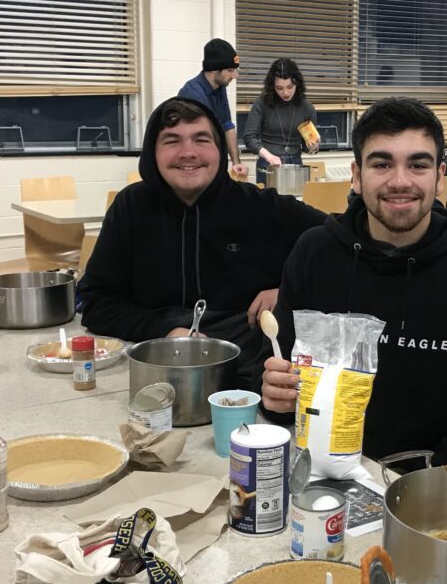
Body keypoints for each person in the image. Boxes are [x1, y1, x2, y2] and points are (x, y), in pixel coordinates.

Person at [258, 97, 447, 466]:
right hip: (319, 474)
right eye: (382, 163)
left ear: (439, 175)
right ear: (356, 174)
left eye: (417, 164)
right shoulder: (314, 254)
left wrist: (426, 484)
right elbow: (282, 380)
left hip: (431, 492)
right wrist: (276, 397)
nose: (400, 181)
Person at [79, 96, 325, 386]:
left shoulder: (262, 208)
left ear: (220, 149)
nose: (188, 152)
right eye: (172, 141)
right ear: (152, 152)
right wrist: (166, 332)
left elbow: (344, 244)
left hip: (248, 375)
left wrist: (286, 291)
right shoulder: (131, 208)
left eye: (201, 139)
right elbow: (96, 301)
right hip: (152, 367)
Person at [178, 38, 247, 179]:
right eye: (230, 70)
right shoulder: (192, 94)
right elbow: (202, 137)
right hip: (197, 167)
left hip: (214, 164)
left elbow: (227, 125)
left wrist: (235, 162)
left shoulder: (219, 87)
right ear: (214, 70)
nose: (235, 75)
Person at [242, 58, 318, 184]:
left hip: (295, 165)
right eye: (279, 88)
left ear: (297, 84)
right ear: (272, 87)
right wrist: (268, 156)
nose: (285, 92)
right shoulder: (261, 103)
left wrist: (313, 147)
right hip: (267, 163)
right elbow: (249, 137)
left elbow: (307, 146)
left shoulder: (307, 108)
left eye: (290, 87)